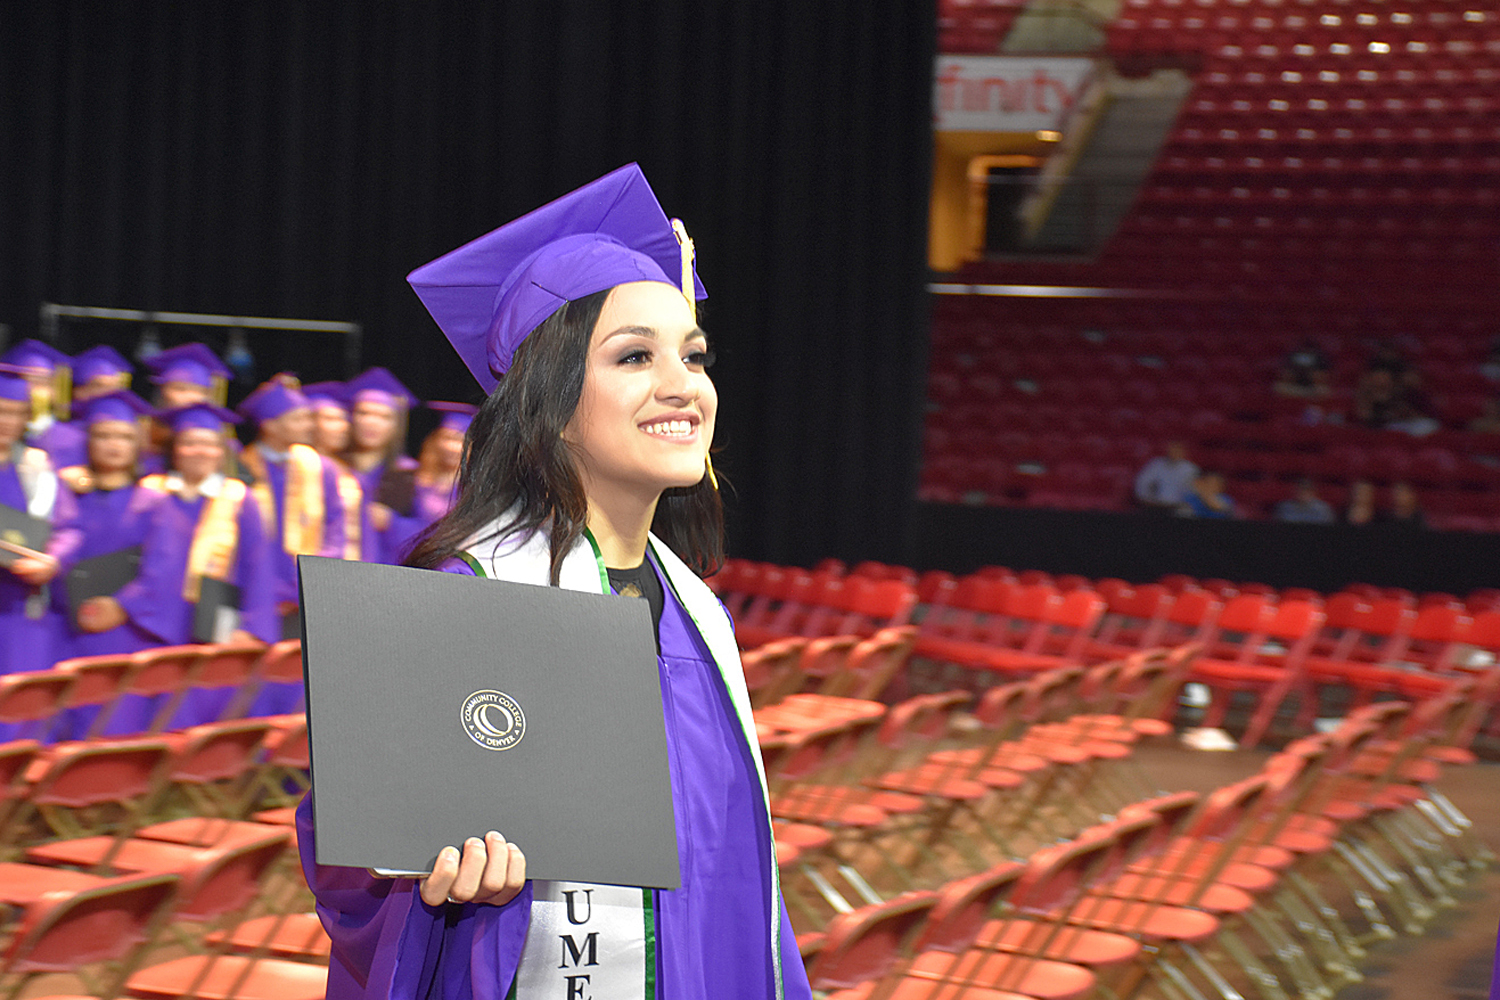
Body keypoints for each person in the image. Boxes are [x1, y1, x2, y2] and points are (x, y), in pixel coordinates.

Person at [296, 164, 810, 1000]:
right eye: (635, 356)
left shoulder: (699, 613)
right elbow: (351, 851)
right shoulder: (473, 590)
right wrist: (427, 883)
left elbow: (742, 887)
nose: (684, 385)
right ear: (552, 399)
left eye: (694, 355)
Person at [46, 390, 162, 663]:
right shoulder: (64, 498)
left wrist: (122, 606)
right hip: (63, 629)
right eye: (103, 435)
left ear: (137, 444)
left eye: (124, 437)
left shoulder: (153, 504)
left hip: (124, 632)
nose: (114, 445)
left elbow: (162, 569)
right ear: (88, 442)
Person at [237, 373, 347, 650]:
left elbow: (336, 530)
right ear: (270, 427)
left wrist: (308, 582)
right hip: (252, 599)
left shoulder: (323, 469)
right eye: (298, 419)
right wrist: (266, 588)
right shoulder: (239, 470)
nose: (309, 425)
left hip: (306, 599)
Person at [0, 363, 61, 675]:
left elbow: (68, 527)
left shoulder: (37, 469)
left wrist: (53, 560)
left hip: (19, 606)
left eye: (16, 412)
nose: (6, 421)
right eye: (1, 411)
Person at [342, 367, 420, 564]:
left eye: (384, 417)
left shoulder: (410, 475)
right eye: (364, 413)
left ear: (396, 425)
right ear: (351, 418)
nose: (372, 423)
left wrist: (391, 522)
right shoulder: (332, 468)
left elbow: (432, 530)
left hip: (385, 575)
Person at [388, 401, 472, 562]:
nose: (452, 447)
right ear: (435, 441)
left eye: (460, 440)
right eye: (447, 438)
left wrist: (390, 521)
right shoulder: (409, 479)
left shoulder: (472, 490)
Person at [305, 381, 364, 561]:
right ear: (310, 423)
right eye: (331, 419)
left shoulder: (350, 472)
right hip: (313, 563)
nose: (343, 427)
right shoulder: (302, 468)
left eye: (343, 419)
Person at [1134, 440, 1198, 512]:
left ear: (1183, 452)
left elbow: (1193, 492)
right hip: (1155, 507)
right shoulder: (1155, 464)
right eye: (1172, 450)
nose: (1174, 453)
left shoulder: (1190, 469)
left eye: (1177, 450)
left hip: (1179, 508)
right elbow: (1142, 484)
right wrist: (1147, 499)